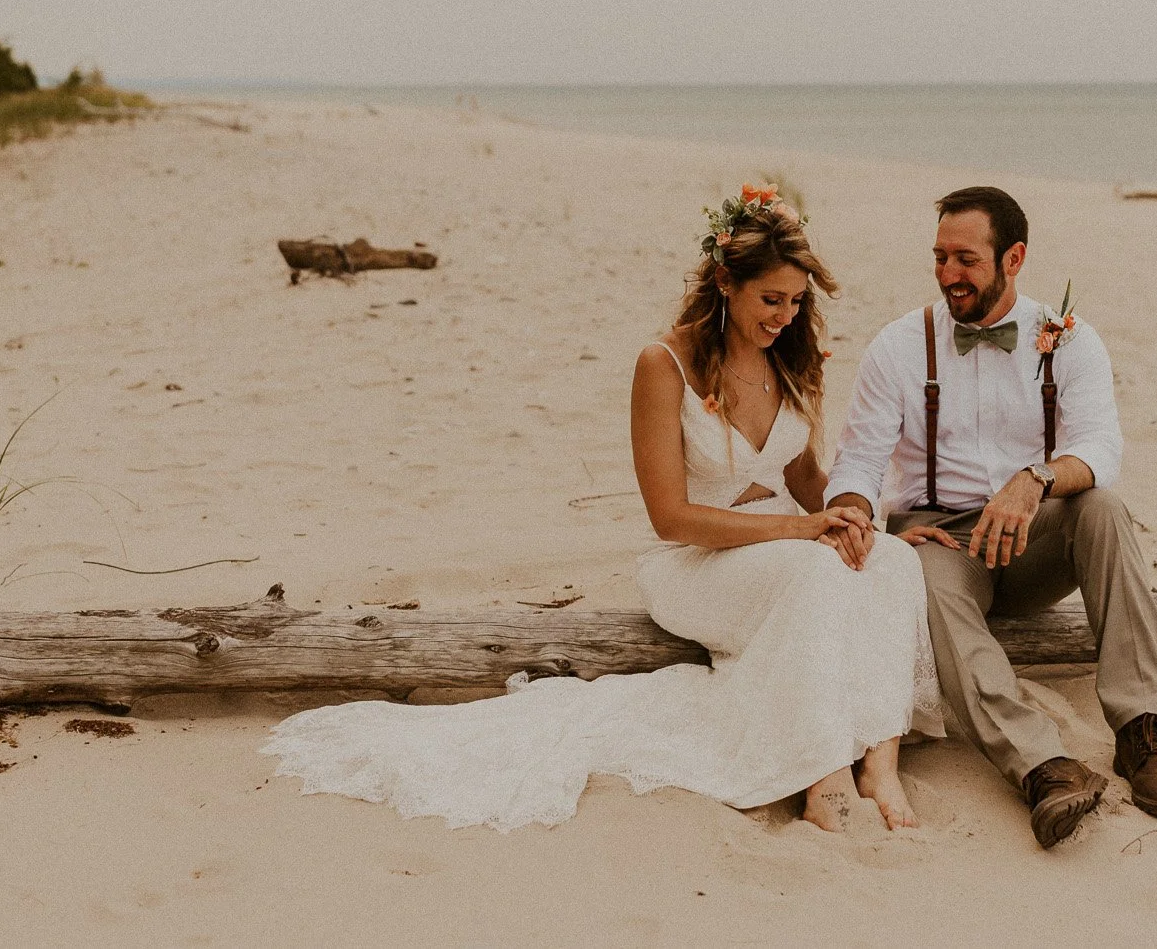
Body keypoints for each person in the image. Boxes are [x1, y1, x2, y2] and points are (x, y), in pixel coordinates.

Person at [263, 185, 941, 833]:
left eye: (796, 301)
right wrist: (801, 528)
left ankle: (881, 764)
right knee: (816, 573)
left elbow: (805, 474)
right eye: (771, 298)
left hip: (785, 549)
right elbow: (670, 517)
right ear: (725, 282)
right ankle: (825, 778)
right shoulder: (662, 365)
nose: (785, 316)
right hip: (696, 563)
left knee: (892, 564)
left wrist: (866, 524)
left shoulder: (789, 362)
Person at [822, 185, 1157, 849]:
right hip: (941, 539)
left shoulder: (1067, 339)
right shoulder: (899, 346)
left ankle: (1143, 731)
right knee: (925, 575)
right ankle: (1044, 765)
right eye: (939, 256)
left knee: (1104, 507)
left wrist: (1036, 480)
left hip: (1034, 535)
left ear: (1014, 257)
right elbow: (858, 465)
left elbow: (1101, 448)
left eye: (965, 258)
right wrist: (863, 518)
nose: (947, 273)